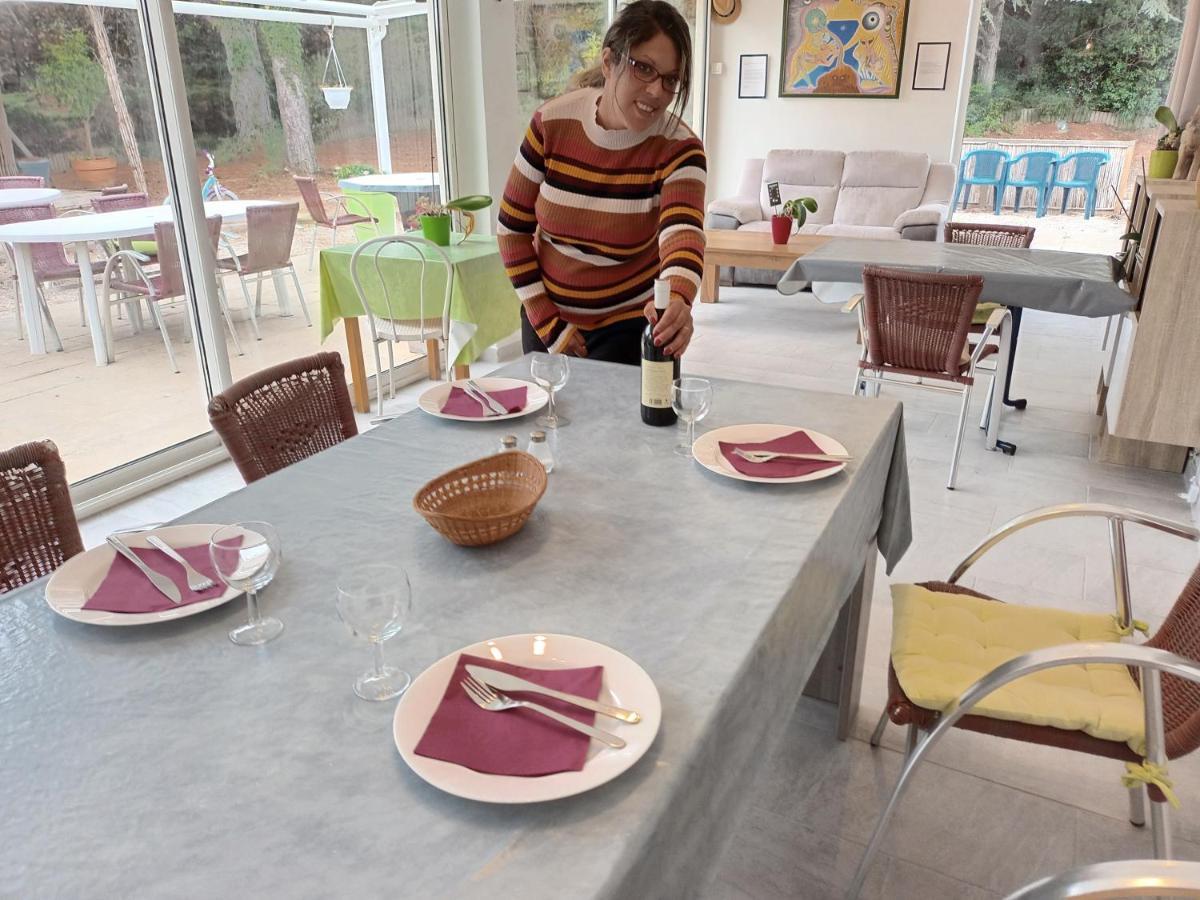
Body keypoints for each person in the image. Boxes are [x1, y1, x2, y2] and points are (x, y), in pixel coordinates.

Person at [497, 0, 706, 366]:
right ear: (609, 62)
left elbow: (683, 233)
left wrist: (678, 299)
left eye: (670, 79)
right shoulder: (552, 123)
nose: (658, 91)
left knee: (634, 423)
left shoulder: (680, 148)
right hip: (547, 315)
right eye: (644, 69)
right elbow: (512, 229)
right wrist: (547, 321)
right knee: (548, 421)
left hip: (633, 323)